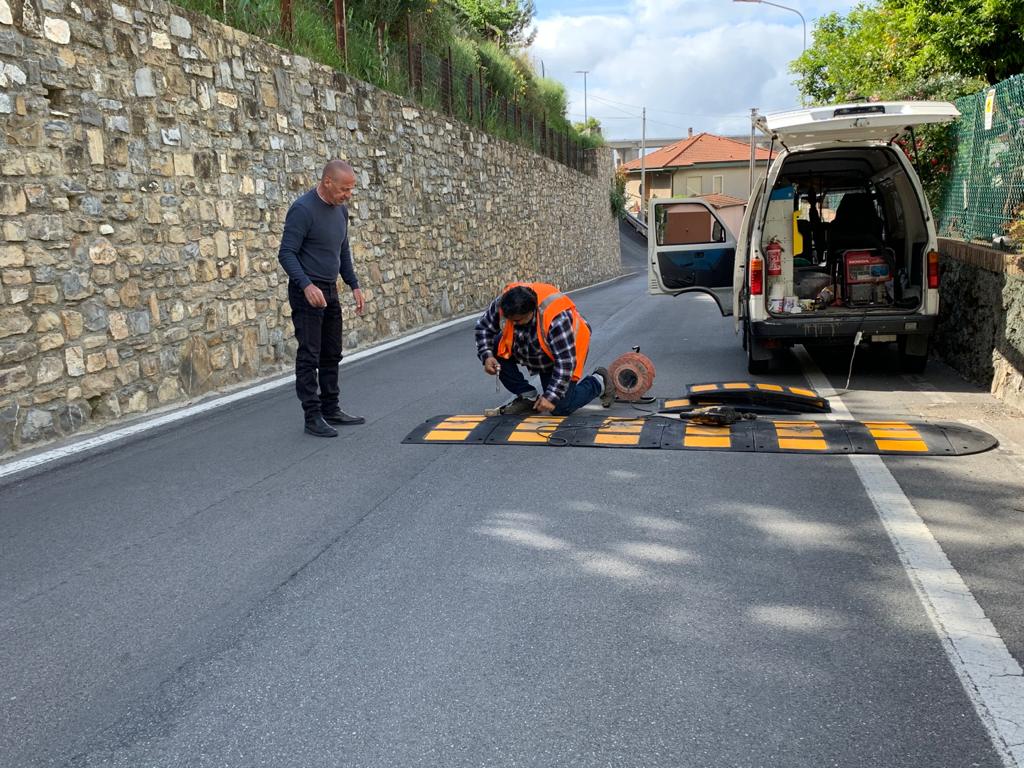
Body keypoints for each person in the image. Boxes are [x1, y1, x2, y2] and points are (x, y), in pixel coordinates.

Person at [278, 160, 367, 437]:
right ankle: (312, 416)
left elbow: (342, 250)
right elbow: (286, 253)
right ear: (327, 182)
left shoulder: (340, 211)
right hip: (307, 292)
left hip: (330, 289)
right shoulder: (303, 210)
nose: (348, 195)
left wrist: (353, 284)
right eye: (344, 189)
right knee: (310, 355)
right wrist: (305, 285)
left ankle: (331, 408)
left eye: (351, 190)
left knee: (332, 353)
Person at [475, 282, 613, 415]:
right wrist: (487, 356)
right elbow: (483, 328)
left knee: (560, 408)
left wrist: (551, 396)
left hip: (565, 351)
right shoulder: (504, 303)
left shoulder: (556, 319)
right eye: (509, 319)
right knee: (494, 346)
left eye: (517, 321)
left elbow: (565, 363)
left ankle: (599, 380)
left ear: (532, 311)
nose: (511, 324)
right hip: (534, 347)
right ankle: (527, 397)